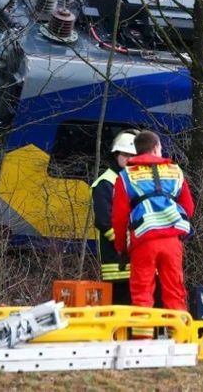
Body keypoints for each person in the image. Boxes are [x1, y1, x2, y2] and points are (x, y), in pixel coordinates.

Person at [112, 131, 195, 326]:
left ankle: (143, 346)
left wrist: (122, 248)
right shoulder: (175, 172)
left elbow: (119, 218)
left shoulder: (126, 177)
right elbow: (189, 208)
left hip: (143, 241)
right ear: (157, 148)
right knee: (175, 293)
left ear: (136, 151)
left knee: (142, 296)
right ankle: (178, 342)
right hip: (172, 242)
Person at [91, 130, 139, 304]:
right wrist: (126, 246)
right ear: (116, 155)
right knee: (121, 310)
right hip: (117, 263)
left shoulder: (135, 180)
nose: (129, 159)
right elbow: (104, 222)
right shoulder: (106, 183)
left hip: (138, 260)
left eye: (133, 155)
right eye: (125, 155)